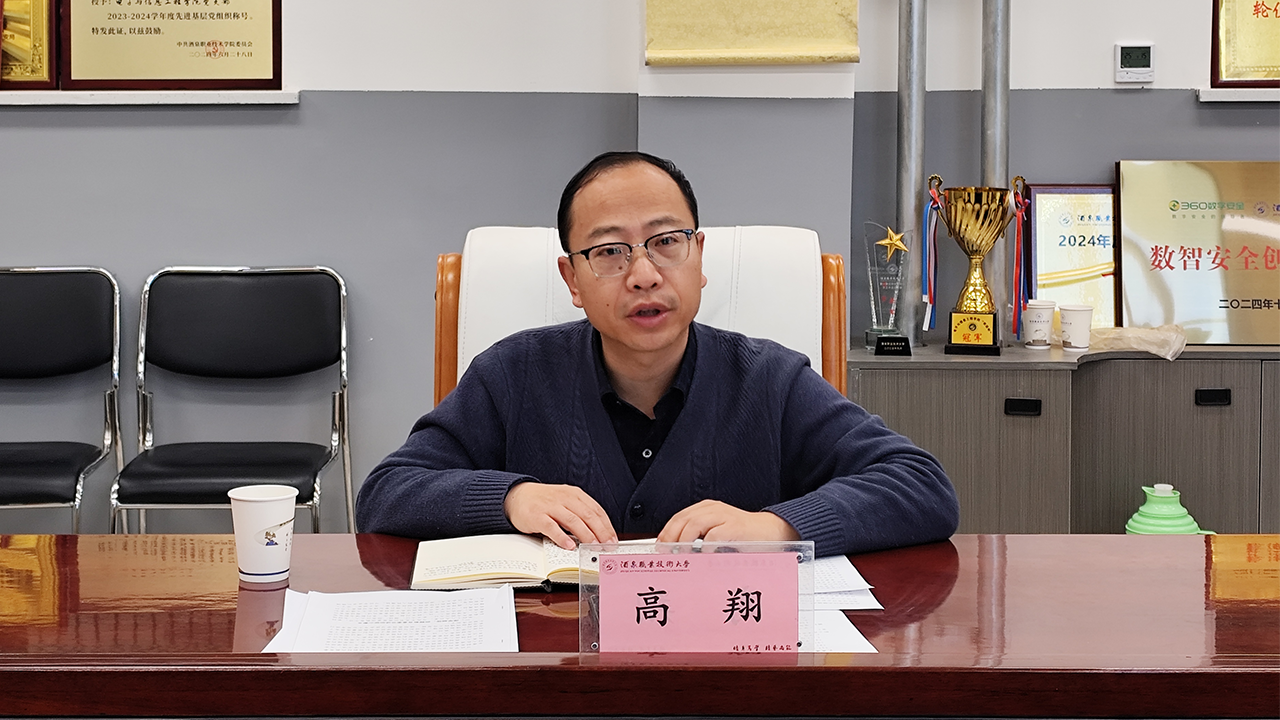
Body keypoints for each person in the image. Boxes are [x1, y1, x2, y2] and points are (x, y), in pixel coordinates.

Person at [357, 151, 958, 557]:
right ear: (571, 279)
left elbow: (920, 485)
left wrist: (778, 527)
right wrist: (511, 498)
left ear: (699, 257)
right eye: (609, 252)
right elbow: (387, 492)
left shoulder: (770, 380)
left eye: (667, 242)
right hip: (558, 665)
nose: (643, 274)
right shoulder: (512, 374)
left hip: (726, 665)